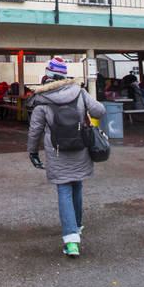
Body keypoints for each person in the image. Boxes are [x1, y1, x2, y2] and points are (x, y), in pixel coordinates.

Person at [26, 56, 106, 258]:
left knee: (64, 190)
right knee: (77, 185)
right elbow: (100, 111)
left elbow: (35, 130)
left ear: (47, 75)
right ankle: (77, 227)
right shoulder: (79, 92)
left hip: (57, 152)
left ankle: (71, 241)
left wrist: (33, 152)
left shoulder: (41, 99)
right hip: (80, 148)